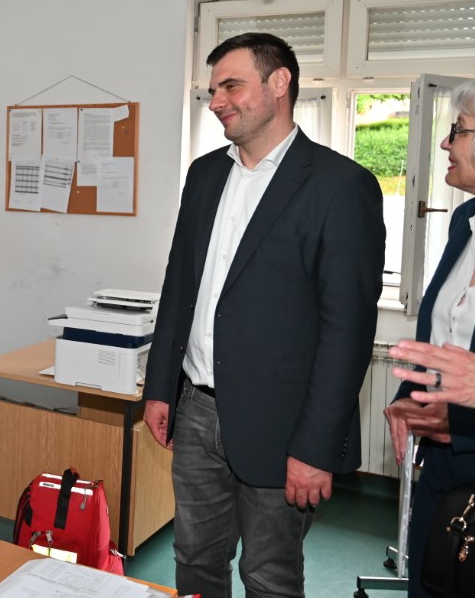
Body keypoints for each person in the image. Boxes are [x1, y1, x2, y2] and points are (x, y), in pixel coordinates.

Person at [142, 32, 385, 598]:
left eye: (231, 86)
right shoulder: (205, 175)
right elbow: (179, 287)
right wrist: (159, 389)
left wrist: (315, 449)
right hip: (195, 409)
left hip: (284, 423)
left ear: (279, 83)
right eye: (212, 91)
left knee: (268, 575)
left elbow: (347, 333)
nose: (217, 102)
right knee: (194, 559)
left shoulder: (341, 186)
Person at [383, 58, 475, 597]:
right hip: (439, 466)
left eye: (459, 130)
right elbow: (440, 336)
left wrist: (458, 423)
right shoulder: (465, 222)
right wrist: (409, 401)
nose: (445, 143)